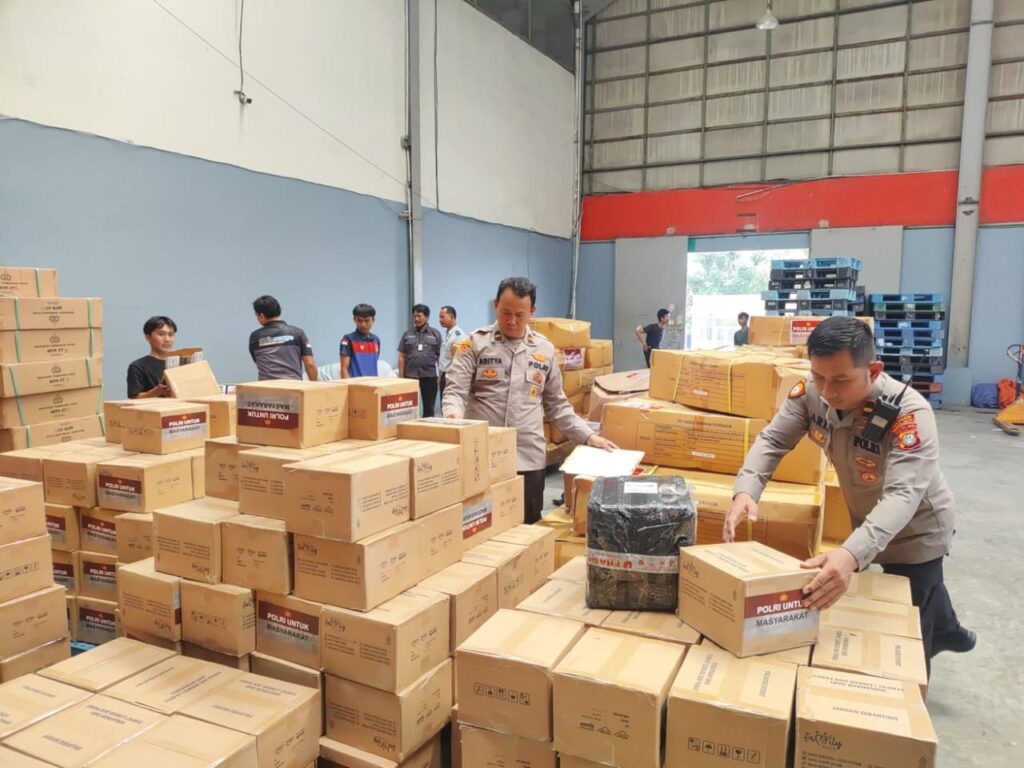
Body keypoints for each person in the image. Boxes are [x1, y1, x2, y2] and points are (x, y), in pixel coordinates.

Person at [724, 316, 974, 674]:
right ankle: (949, 629)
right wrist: (746, 490)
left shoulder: (909, 414)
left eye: (840, 380)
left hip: (918, 530)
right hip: (866, 519)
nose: (827, 391)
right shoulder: (810, 393)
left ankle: (930, 652)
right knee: (901, 600)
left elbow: (903, 495)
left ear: (873, 370)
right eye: (819, 377)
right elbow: (773, 440)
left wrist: (850, 555)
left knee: (912, 633)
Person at [443, 277, 618, 524]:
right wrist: (453, 418)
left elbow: (557, 406)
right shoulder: (474, 344)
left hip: (527, 458)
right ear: (495, 305)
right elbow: (455, 390)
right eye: (506, 313)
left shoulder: (544, 349)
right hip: (482, 457)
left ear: (532, 311)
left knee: (528, 527)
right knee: (480, 528)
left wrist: (588, 436)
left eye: (520, 314)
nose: (512, 321)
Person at [249, 295, 318, 381]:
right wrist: (314, 385)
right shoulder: (297, 333)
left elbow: (259, 362)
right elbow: (310, 364)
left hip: (265, 387)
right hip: (293, 386)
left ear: (261, 315)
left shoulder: (255, 337)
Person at [398, 304, 443, 417]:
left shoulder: (435, 334)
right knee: (407, 407)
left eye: (419, 316)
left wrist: (439, 376)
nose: (416, 319)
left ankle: (428, 427)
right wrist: (401, 377)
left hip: (429, 376)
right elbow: (402, 356)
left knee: (429, 408)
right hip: (410, 376)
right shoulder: (407, 334)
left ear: (427, 317)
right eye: (414, 316)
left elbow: (439, 357)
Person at [126, 315, 177, 399]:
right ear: (148, 337)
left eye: (171, 334)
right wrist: (156, 392)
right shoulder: (137, 366)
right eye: (161, 334)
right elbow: (134, 398)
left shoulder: (180, 363)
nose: (167, 339)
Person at [340, 304, 381, 378]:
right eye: (359, 320)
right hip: (355, 383)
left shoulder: (376, 340)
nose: (363, 324)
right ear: (354, 320)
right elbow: (344, 369)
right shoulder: (347, 340)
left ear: (373, 320)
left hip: (373, 382)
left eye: (367, 320)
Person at [438, 305, 466, 397]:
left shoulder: (458, 336)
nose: (440, 320)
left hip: (451, 378)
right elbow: (444, 358)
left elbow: (457, 361)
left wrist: (451, 380)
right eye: (439, 317)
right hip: (445, 376)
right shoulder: (449, 334)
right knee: (443, 404)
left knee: (449, 404)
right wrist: (440, 376)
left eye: (442, 317)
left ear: (451, 317)